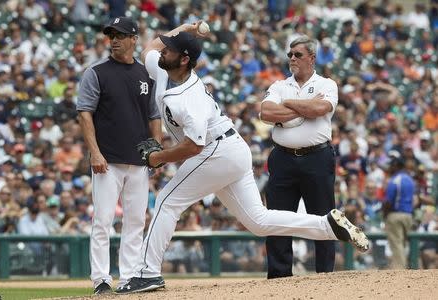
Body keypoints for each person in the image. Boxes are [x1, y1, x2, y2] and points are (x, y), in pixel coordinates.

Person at [116, 22, 368, 294]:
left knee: (166, 200)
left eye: (171, 49)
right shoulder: (164, 70)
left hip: (216, 150)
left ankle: (147, 273)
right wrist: (185, 28)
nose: (163, 51)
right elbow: (151, 48)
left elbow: (194, 147)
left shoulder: (189, 98)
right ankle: (326, 225)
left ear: (184, 59)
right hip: (231, 149)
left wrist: (159, 158)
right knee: (258, 222)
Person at [77, 17, 161, 295]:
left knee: (136, 222)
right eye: (111, 34)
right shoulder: (97, 72)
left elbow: (153, 116)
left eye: (121, 35)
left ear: (134, 39)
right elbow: (84, 113)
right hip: (108, 160)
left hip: (138, 160)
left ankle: (128, 276)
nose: (114, 39)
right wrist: (95, 152)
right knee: (102, 220)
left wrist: (156, 151)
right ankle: (101, 278)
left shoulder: (145, 74)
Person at [259, 35, 339, 279]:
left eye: (298, 55)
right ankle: (279, 276)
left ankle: (324, 275)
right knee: (277, 217)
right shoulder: (279, 85)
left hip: (317, 157)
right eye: (290, 55)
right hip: (282, 158)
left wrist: (289, 105)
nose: (292, 58)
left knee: (323, 215)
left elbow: (320, 109)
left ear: (312, 58)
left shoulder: (327, 84)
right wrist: (303, 105)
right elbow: (265, 112)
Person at [382, 151, 415, 269]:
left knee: (396, 244)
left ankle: (400, 270)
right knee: (403, 244)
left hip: (395, 215)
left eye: (391, 165)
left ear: (396, 166)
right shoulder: (410, 180)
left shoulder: (395, 180)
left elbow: (388, 202)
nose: (390, 167)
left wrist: (385, 215)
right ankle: (406, 266)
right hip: (408, 215)